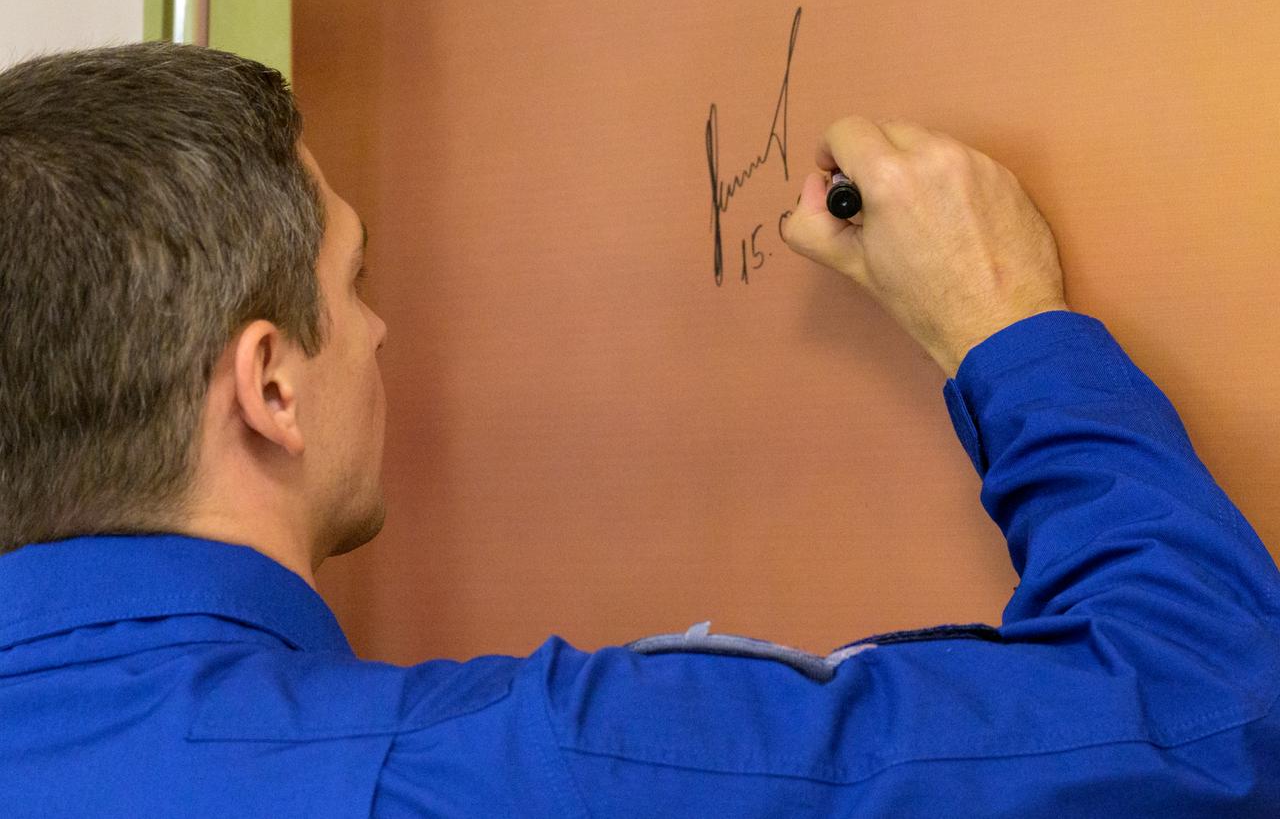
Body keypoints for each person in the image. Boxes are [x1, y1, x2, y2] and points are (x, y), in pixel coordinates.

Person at [0, 42, 1276, 818]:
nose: (381, 334)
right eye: (356, 279)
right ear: (269, 385)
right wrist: (1004, 328)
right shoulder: (517, 774)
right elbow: (1216, 716)